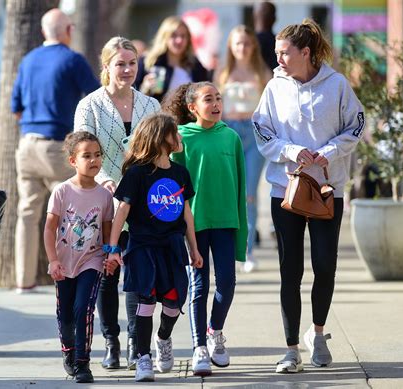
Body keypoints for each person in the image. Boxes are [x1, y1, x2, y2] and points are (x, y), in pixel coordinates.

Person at [252, 19, 364, 373]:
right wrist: (291, 150)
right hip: (285, 190)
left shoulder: (337, 85)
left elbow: (357, 124)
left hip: (329, 190)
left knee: (325, 265)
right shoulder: (275, 87)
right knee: (290, 270)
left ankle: (317, 333)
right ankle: (290, 349)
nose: (279, 60)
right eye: (277, 53)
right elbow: (262, 129)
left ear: (306, 52)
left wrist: (329, 152)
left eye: (285, 53)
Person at [74, 36, 160, 370]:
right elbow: (84, 150)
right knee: (108, 274)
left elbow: (159, 152)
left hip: (141, 205)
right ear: (106, 66)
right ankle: (111, 340)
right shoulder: (90, 105)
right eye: (120, 64)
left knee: (139, 277)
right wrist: (104, 178)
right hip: (104, 202)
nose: (127, 70)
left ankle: (139, 345)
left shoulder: (150, 106)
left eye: (132, 63)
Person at [104, 113, 202, 382]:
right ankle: (143, 357)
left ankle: (163, 337)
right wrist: (113, 248)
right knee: (146, 300)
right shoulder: (136, 174)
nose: (179, 137)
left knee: (174, 301)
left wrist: (193, 248)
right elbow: (121, 211)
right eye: (175, 133)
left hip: (172, 246)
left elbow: (187, 213)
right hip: (142, 246)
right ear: (162, 138)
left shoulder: (180, 173)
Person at [11, 8, 100, 294]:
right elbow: (95, 97)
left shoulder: (27, 60)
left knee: (27, 213)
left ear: (43, 32)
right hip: (56, 145)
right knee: (74, 210)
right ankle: (73, 274)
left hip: (27, 144)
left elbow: (16, 107)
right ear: (69, 31)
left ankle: (23, 281)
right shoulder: (72, 60)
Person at [164, 82, 247, 376]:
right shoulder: (181, 138)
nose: (215, 103)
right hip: (193, 226)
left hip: (226, 223)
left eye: (218, 99)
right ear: (192, 107)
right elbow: (173, 185)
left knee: (227, 283)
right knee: (199, 286)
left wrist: (242, 232)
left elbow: (240, 188)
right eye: (208, 99)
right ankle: (199, 346)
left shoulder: (232, 138)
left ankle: (215, 331)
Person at [44, 131, 114, 383]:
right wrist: (53, 260)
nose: (94, 160)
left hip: (91, 261)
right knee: (66, 315)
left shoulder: (105, 196)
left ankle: (83, 363)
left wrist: (111, 255)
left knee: (83, 308)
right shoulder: (62, 191)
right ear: (73, 160)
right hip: (64, 263)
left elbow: (107, 232)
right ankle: (69, 351)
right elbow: (50, 228)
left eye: (98, 155)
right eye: (87, 156)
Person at [216, 25, 272, 273]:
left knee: (249, 193)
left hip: (253, 132)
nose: (242, 48)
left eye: (247, 43)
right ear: (231, 46)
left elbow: (272, 108)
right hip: (229, 131)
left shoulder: (263, 72)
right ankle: (228, 249)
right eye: (238, 43)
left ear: (253, 46)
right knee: (229, 191)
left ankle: (247, 251)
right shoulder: (222, 72)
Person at [134, 16, 209, 102]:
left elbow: (205, 92)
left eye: (183, 36)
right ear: (164, 37)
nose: (179, 40)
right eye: (174, 35)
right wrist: (144, 89)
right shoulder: (148, 62)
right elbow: (132, 97)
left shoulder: (195, 65)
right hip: (158, 114)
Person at [253, 2, 279, 72]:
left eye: (267, 14)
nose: (264, 17)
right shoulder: (280, 42)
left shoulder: (249, 42)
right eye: (262, 14)